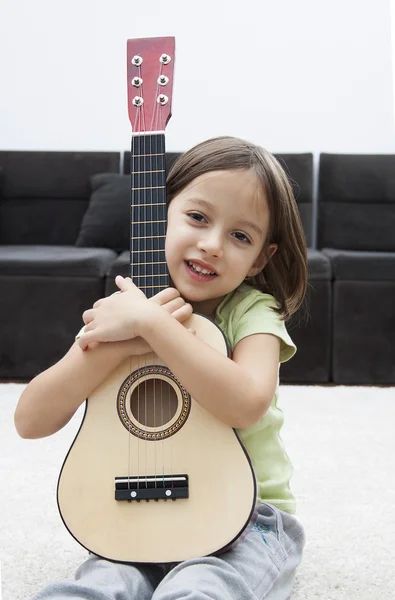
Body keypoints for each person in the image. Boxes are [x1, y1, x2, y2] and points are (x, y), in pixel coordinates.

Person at [14, 136, 308, 600]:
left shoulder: (254, 312)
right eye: (197, 217)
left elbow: (247, 404)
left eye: (240, 236)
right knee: (94, 587)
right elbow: (30, 420)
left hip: (248, 515)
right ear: (161, 215)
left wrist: (155, 325)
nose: (212, 244)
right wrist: (119, 344)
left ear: (261, 259)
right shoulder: (125, 310)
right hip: (133, 512)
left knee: (205, 586)